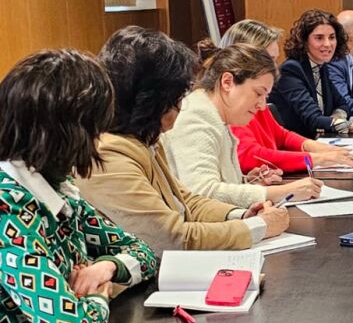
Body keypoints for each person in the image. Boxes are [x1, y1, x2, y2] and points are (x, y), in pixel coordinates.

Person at [0, 50, 158, 323]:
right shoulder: (8, 208)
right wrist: (101, 294)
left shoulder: (56, 186)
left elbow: (144, 253)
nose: (98, 141)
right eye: (94, 129)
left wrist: (106, 268)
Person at [76, 27, 289, 254]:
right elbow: (170, 238)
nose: (181, 105)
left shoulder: (142, 141)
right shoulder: (110, 157)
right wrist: (257, 227)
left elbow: (185, 201)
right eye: (178, 97)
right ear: (152, 100)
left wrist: (242, 215)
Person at [166, 44, 324, 208]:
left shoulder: (216, 114)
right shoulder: (196, 117)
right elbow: (202, 193)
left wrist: (248, 182)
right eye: (258, 93)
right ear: (227, 82)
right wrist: (281, 192)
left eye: (265, 96)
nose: (262, 106)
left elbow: (215, 182)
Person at [213, 19, 353, 174]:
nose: (276, 69)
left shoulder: (254, 97)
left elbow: (281, 136)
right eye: (269, 61)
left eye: (275, 60)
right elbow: (251, 156)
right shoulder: (234, 104)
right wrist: (315, 159)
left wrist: (319, 148)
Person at [268, 9, 353, 138]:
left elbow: (342, 104)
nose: (328, 44)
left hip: (318, 140)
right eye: (319, 38)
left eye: (332, 37)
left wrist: (336, 120)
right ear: (304, 41)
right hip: (295, 144)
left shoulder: (321, 66)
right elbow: (314, 119)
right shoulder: (291, 69)